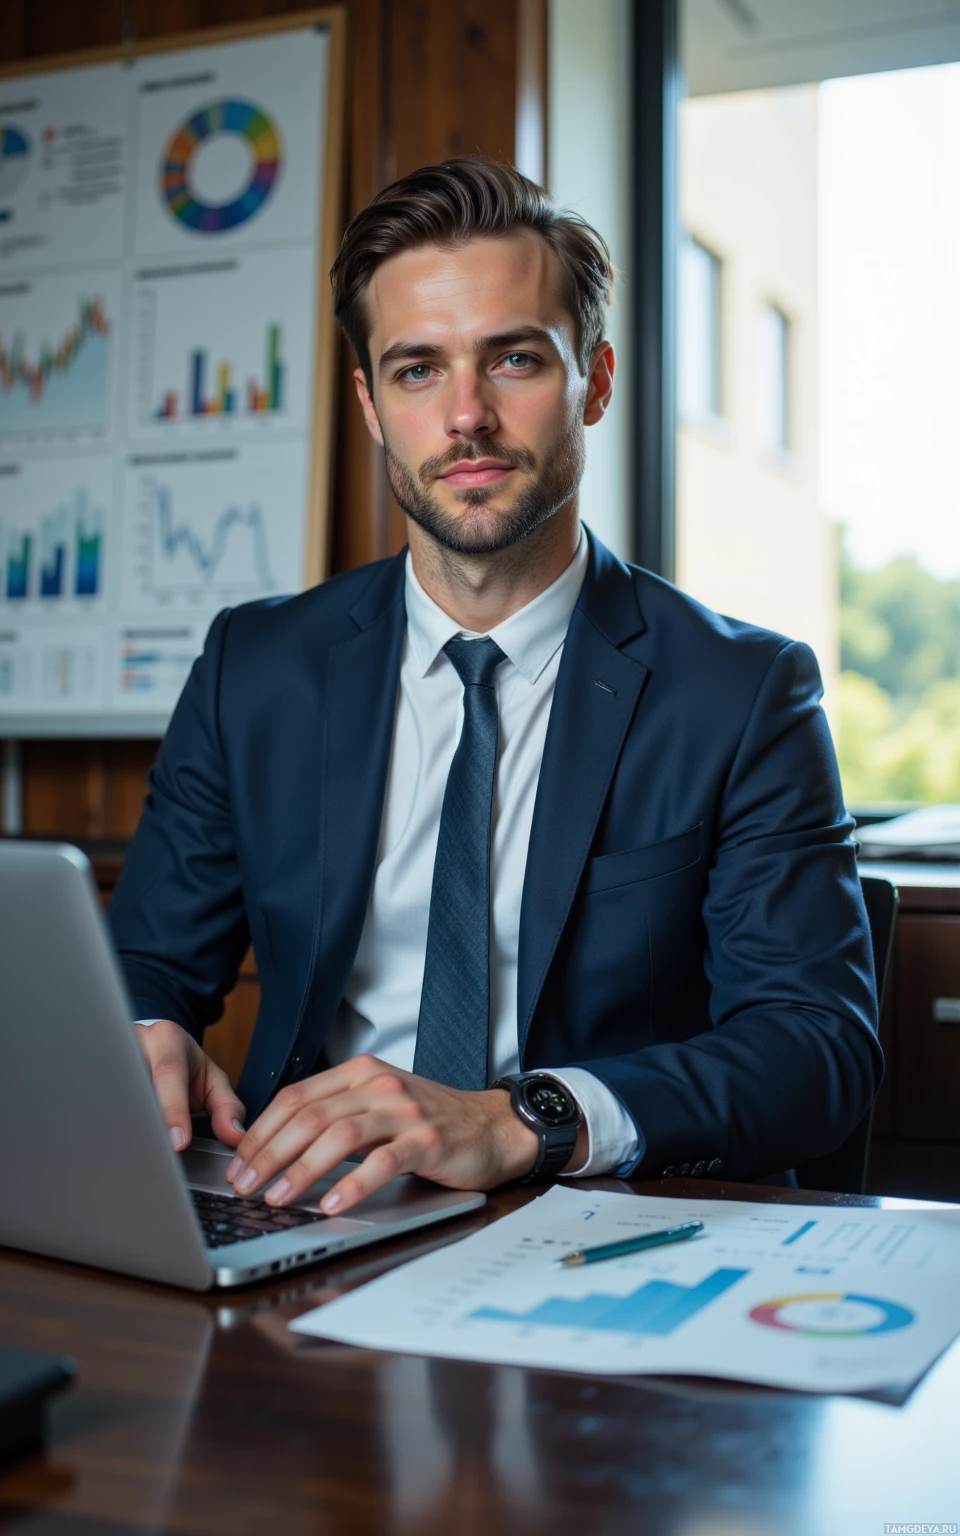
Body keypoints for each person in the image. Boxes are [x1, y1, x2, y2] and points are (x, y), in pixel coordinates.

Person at [109, 157, 881, 1218]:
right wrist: (148, 1029)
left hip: (601, 1225)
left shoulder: (743, 691)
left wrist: (521, 1119)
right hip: (302, 1209)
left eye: (512, 359)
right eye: (417, 370)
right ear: (372, 406)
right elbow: (147, 962)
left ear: (594, 381)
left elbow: (816, 1051)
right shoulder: (256, 667)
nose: (464, 416)